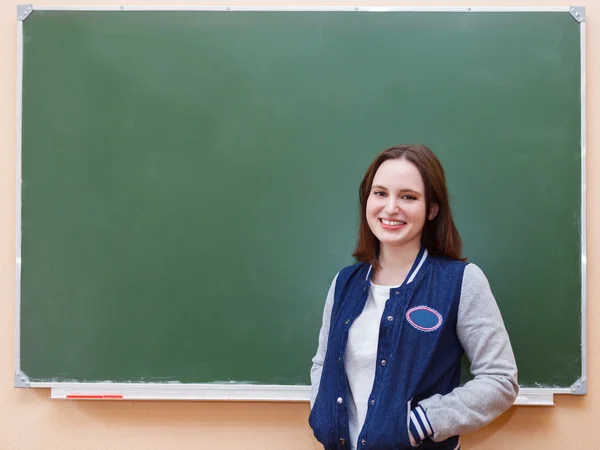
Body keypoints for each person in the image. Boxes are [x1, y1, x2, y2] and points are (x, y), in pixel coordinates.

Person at [308, 145, 518, 450]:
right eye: (380, 193)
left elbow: (500, 379)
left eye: (408, 196)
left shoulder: (461, 281)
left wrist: (421, 424)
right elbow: (322, 363)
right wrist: (323, 413)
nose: (391, 207)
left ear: (432, 208)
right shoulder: (345, 283)